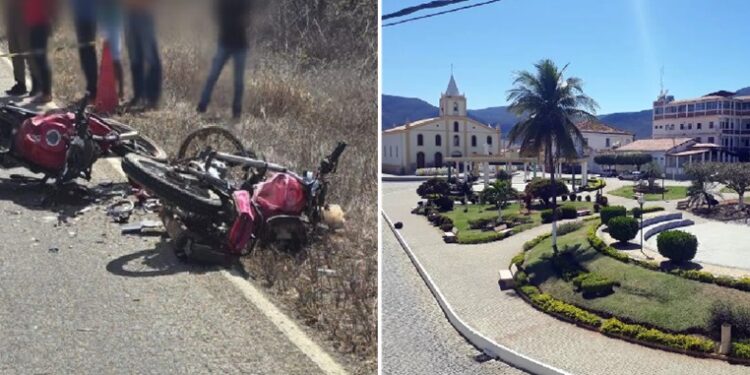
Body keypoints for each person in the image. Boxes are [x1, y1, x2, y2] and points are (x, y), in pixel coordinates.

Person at [197, 0, 252, 119]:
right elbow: (216, 16)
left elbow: (248, 20)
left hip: (239, 44)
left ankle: (236, 112)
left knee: (238, 82)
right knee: (213, 76)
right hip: (225, 42)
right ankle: (202, 106)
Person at [124, 0, 162, 109]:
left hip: (145, 13)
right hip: (130, 14)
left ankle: (152, 98)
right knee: (135, 57)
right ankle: (138, 95)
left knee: (151, 57)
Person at [24, 0, 56, 104]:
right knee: (37, 59)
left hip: (40, 25)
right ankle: (43, 91)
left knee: (41, 60)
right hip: (33, 24)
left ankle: (46, 93)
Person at [69, 0, 98, 101]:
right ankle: (90, 88)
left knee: (89, 52)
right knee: (83, 54)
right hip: (79, 17)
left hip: (89, 17)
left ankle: (93, 90)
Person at [99, 0, 125, 100]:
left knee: (115, 58)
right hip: (105, 22)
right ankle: (108, 89)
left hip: (114, 23)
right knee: (107, 57)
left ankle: (121, 91)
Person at [5, 0, 29, 96]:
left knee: (28, 52)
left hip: (25, 17)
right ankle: (20, 84)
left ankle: (38, 85)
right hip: (12, 17)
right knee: (15, 51)